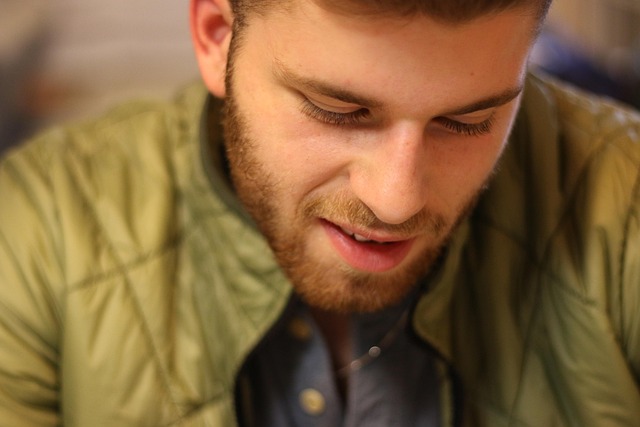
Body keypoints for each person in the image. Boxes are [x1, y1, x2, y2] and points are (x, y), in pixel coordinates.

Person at [0, 0, 639, 425]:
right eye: (339, 112)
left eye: (468, 121)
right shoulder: (39, 233)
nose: (396, 199)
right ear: (216, 36)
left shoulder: (625, 209)